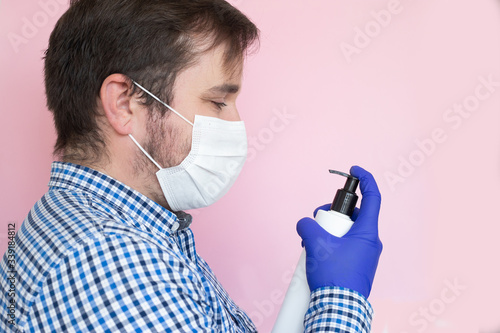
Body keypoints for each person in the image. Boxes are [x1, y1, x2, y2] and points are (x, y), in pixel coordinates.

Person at [0, 0, 383, 332]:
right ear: (123, 104)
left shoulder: (123, 232)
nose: (235, 125)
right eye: (217, 103)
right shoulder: (108, 262)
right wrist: (340, 299)